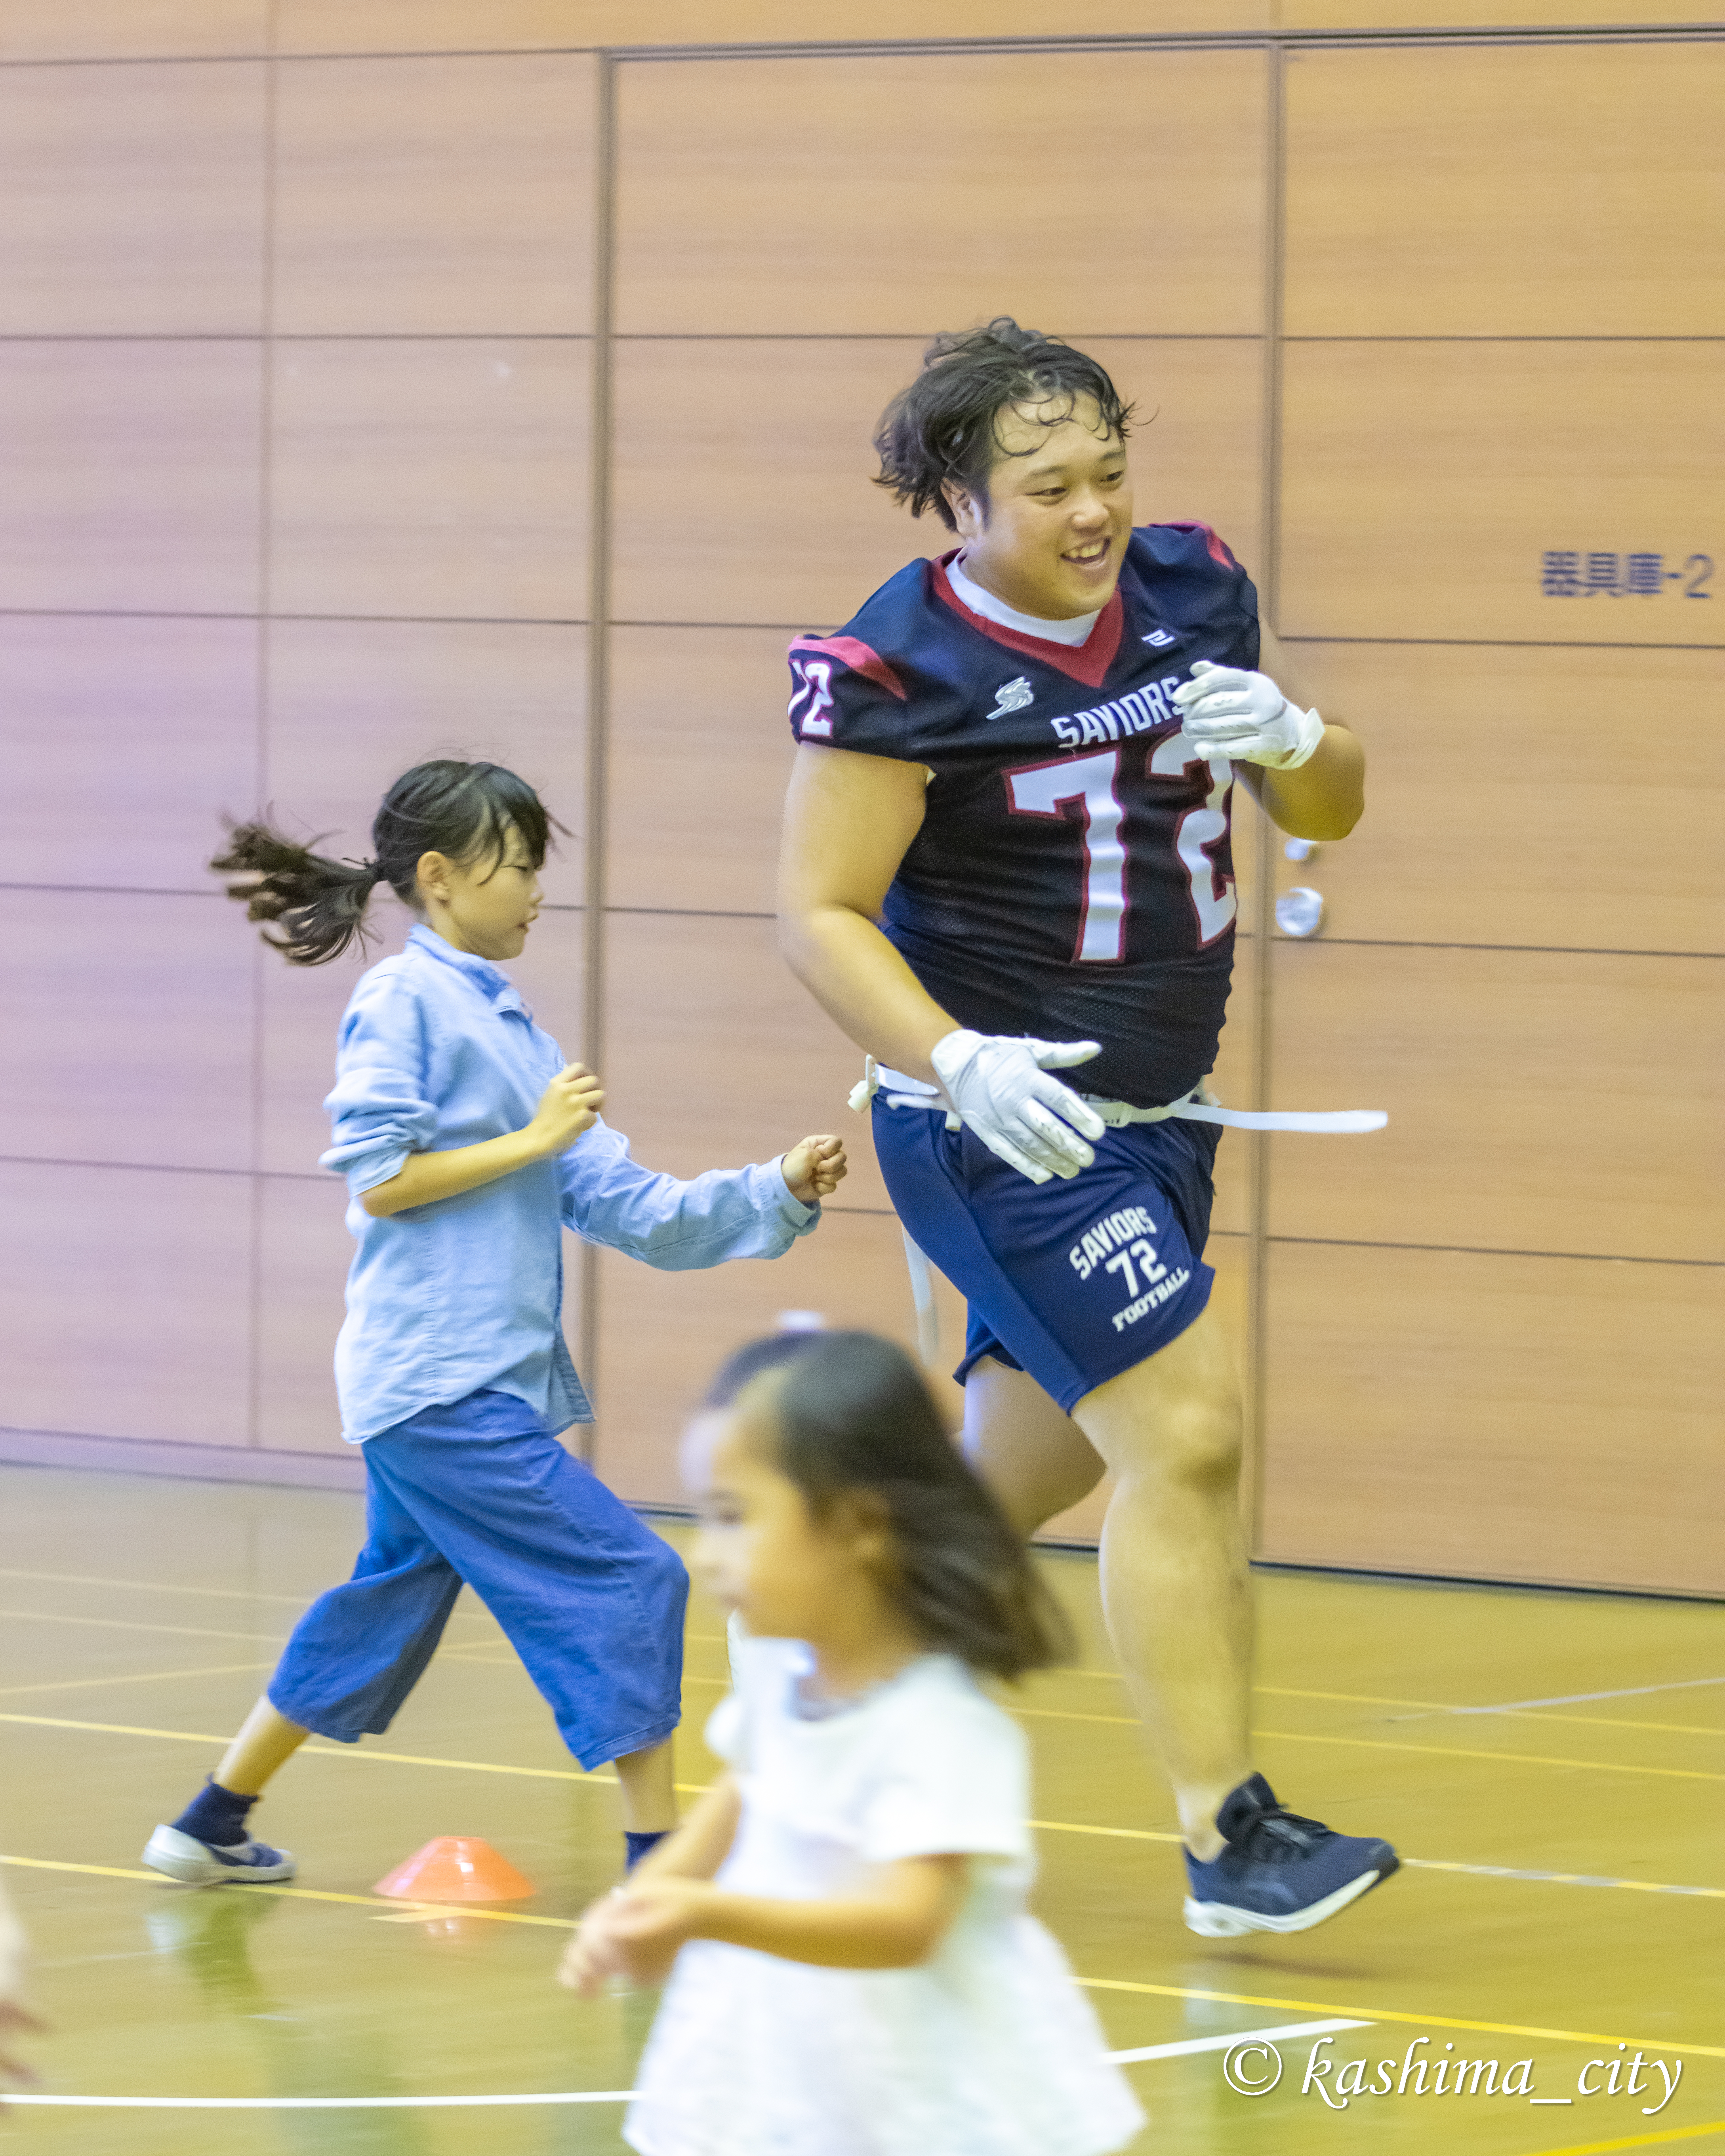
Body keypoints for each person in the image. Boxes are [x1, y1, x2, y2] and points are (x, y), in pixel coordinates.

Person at [775, 319, 1396, 1936]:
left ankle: (811, 1694)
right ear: (960, 501)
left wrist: (1305, 745)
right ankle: (1230, 1839)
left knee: (1007, 1487)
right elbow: (818, 912)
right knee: (1187, 1433)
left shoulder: (1196, 588)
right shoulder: (899, 664)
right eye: (1047, 484)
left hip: (1160, 1120)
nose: (1092, 508)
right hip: (1005, 1124)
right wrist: (958, 1058)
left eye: (1109, 470)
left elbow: (1327, 807)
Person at [143, 760, 846, 1888]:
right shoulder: (402, 1000)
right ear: (439, 876)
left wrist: (776, 1188)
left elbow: (635, 1209)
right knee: (633, 1576)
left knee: (386, 1600)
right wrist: (530, 1139)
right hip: (437, 1385)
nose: (534, 890)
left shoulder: (511, 1029)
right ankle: (654, 1858)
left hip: (458, 1389)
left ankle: (210, 1820)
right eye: (518, 866)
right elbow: (378, 1175)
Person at [560, 1329, 1145, 2156]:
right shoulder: (782, 1677)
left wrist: (709, 1912)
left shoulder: (937, 1722)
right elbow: (741, 1794)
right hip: (790, 2041)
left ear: (857, 1525)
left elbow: (907, 1922)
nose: (706, 1552)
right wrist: (649, 1895)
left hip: (917, 2067)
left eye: (735, 1517)